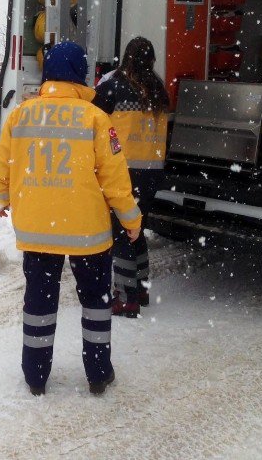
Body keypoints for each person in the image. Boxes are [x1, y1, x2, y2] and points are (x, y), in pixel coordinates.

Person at [0, 41, 141, 396]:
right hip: (87, 233)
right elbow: (115, 178)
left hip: (37, 229)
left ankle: (35, 375)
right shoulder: (96, 119)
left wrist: (0, 198)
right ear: (80, 74)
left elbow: (4, 161)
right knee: (95, 302)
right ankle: (98, 374)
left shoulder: (21, 114)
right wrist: (131, 219)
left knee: (39, 301)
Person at [94, 36, 169, 318]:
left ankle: (126, 298)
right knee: (139, 229)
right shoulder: (159, 90)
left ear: (126, 58)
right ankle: (141, 287)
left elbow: (95, 118)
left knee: (122, 232)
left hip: (124, 171)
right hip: (152, 170)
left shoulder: (114, 87)